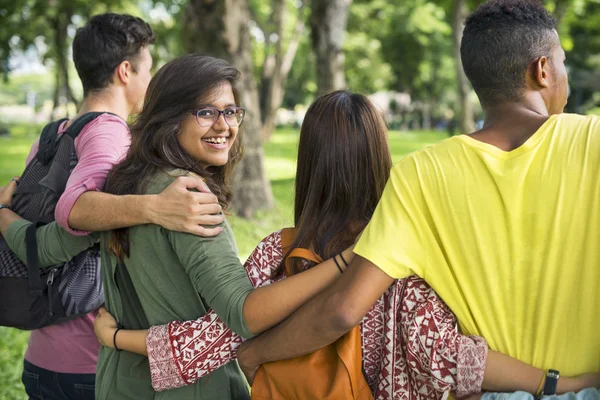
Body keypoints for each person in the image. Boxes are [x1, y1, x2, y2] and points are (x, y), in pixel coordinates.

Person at [91, 91, 600, 399]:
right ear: (379, 157)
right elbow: (447, 355)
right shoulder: (405, 253)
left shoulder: (279, 252)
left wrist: (116, 338)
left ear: (309, 164)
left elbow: (207, 343)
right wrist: (558, 383)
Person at [231, 1, 600, 398]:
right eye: (562, 61)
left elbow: (343, 309)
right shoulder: (593, 142)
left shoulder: (422, 173)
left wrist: (255, 354)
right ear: (542, 70)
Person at [0, 14, 222, 400]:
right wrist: (156, 207)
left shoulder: (56, 133)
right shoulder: (110, 133)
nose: (150, 82)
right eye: (148, 70)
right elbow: (76, 210)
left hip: (42, 359)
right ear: (124, 71)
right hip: (91, 363)